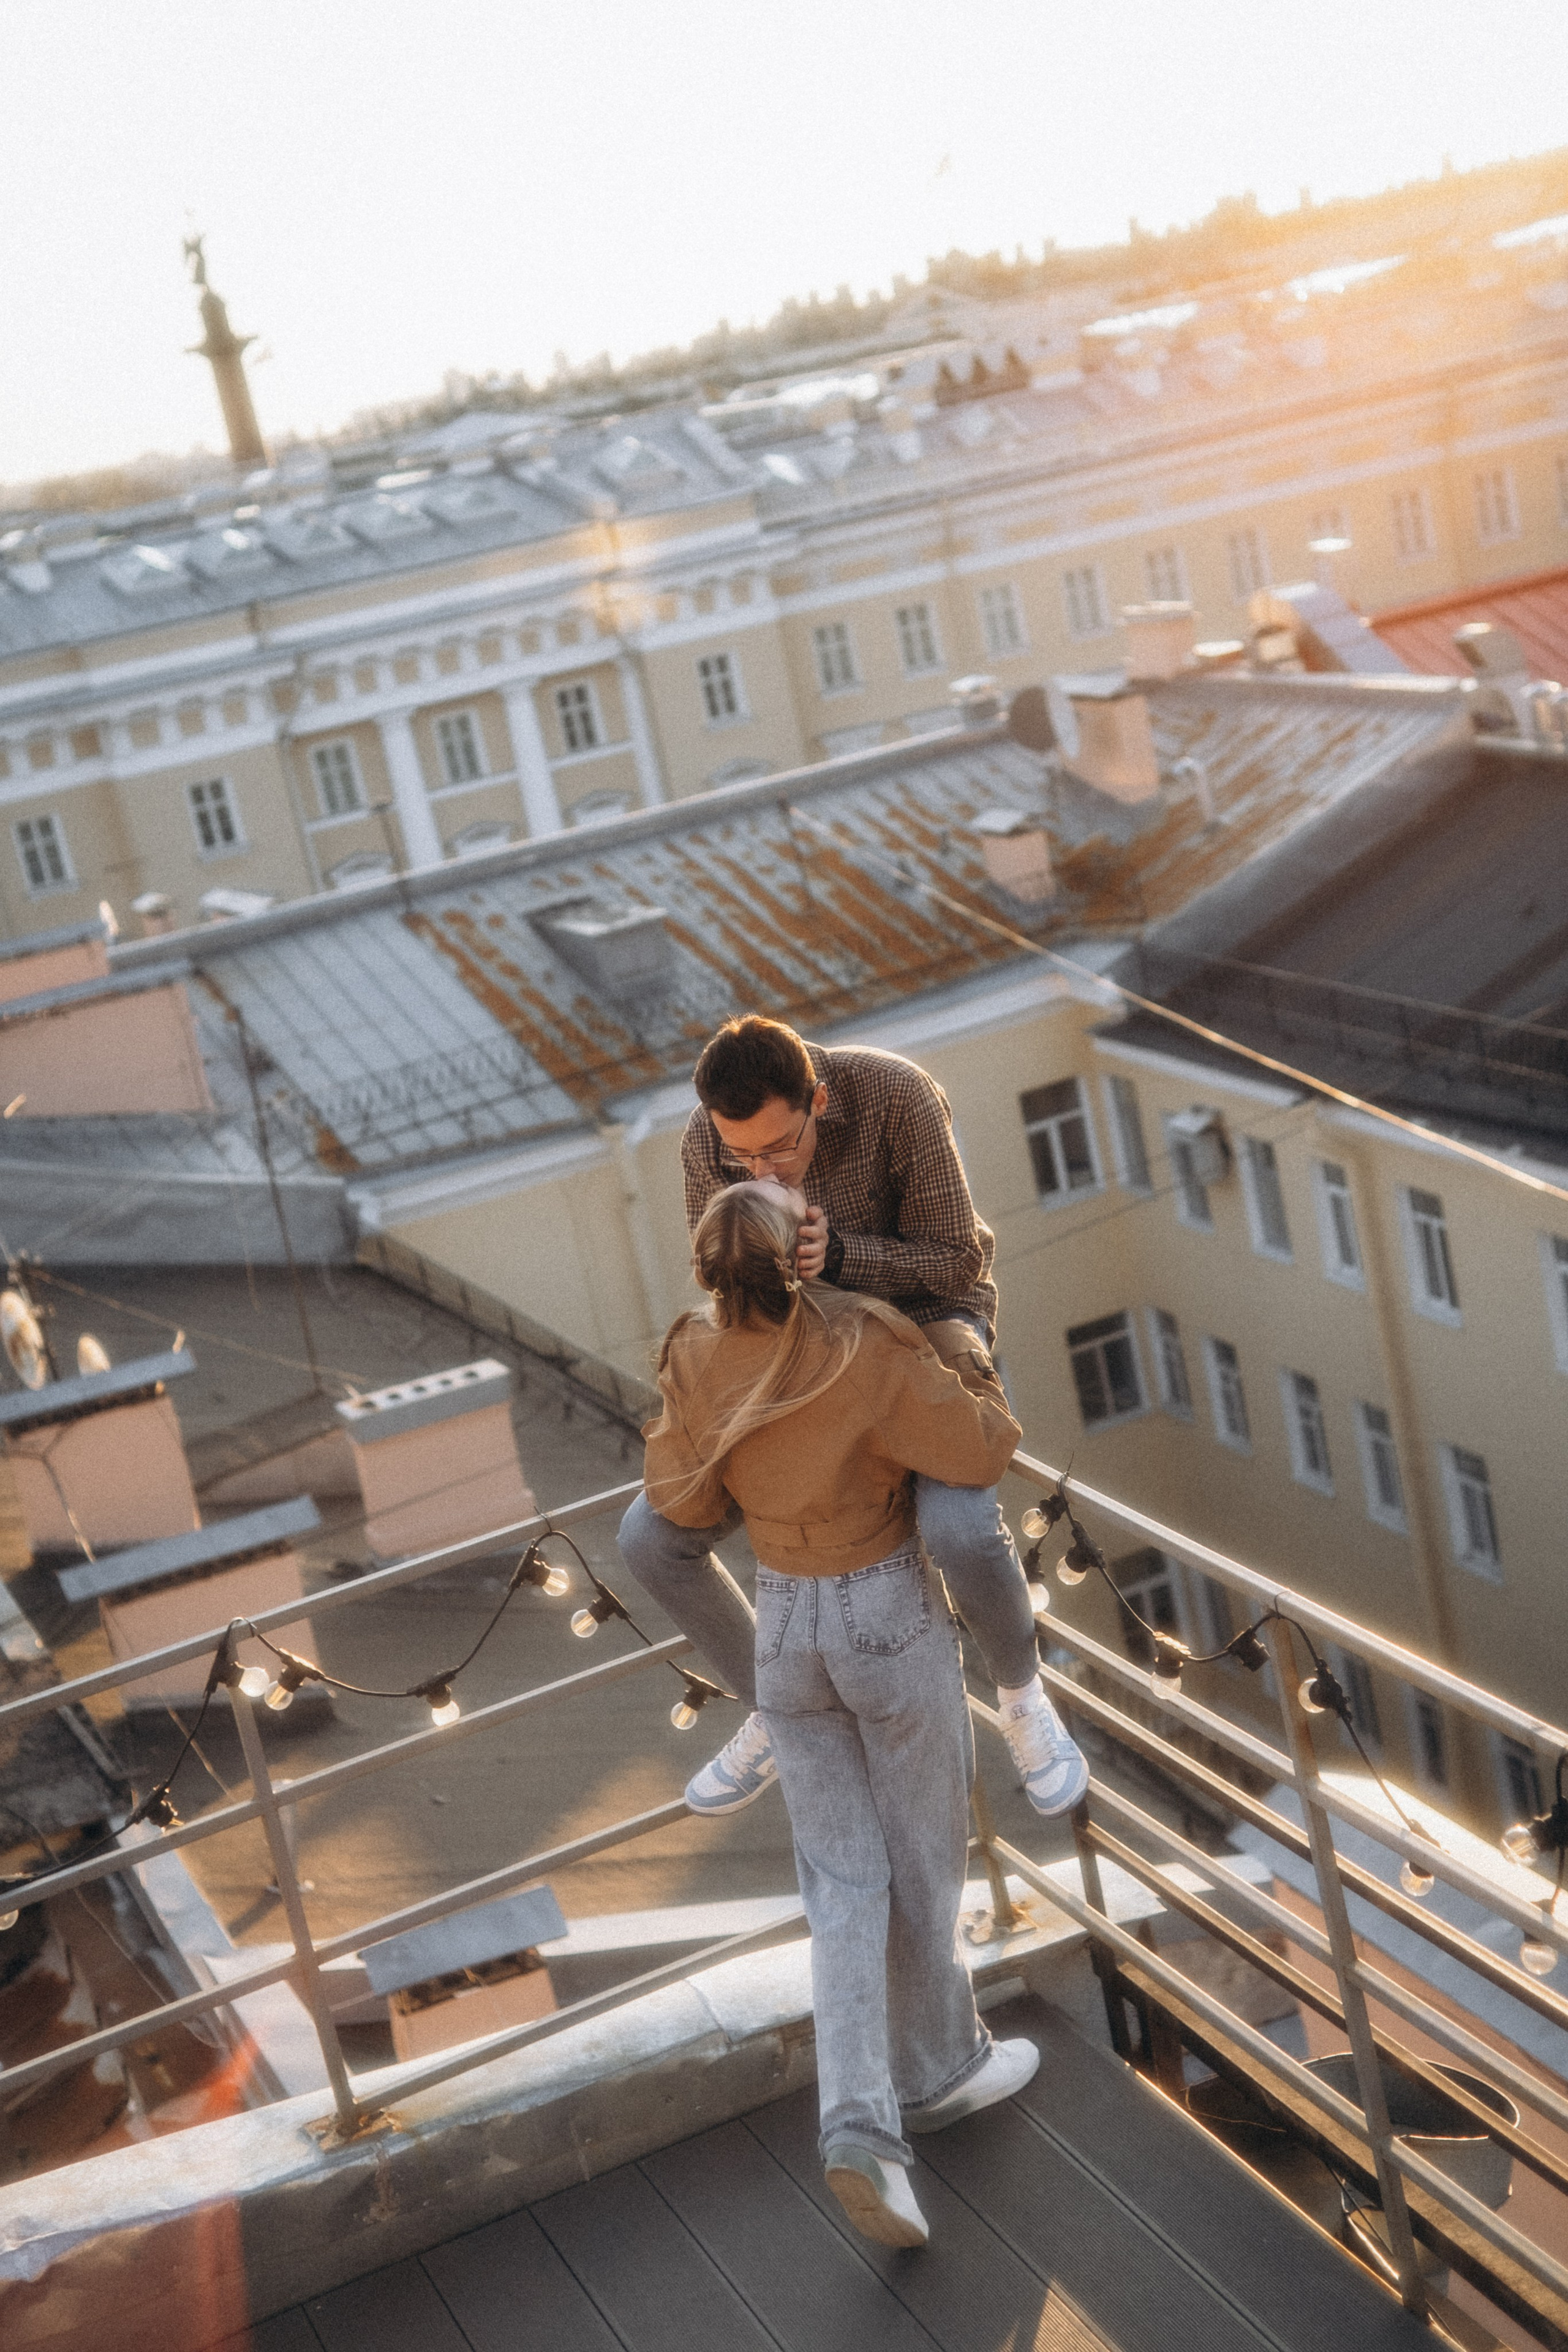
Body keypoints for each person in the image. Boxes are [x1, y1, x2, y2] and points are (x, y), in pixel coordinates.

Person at [641, 1179, 1042, 2246]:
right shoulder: (861, 1338)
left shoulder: (689, 1349)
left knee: (843, 1884)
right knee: (923, 1860)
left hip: (780, 1629)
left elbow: (678, 1506)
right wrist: (960, 1355)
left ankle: (859, 2129)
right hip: (885, 1621)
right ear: (797, 1256)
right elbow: (981, 1453)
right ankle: (943, 2072)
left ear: (708, 1270)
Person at [617, 1014, 1086, 1819]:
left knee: (962, 1530)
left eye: (780, 1149)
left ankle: (1021, 1695)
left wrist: (840, 1258)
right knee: (646, 1540)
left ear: (820, 1102)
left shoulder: (893, 1095)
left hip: (928, 1315)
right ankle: (772, 1709)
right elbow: (729, 1272)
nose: (762, 1171)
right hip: (794, 1340)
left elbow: (958, 1260)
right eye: (744, 1156)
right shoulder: (709, 1141)